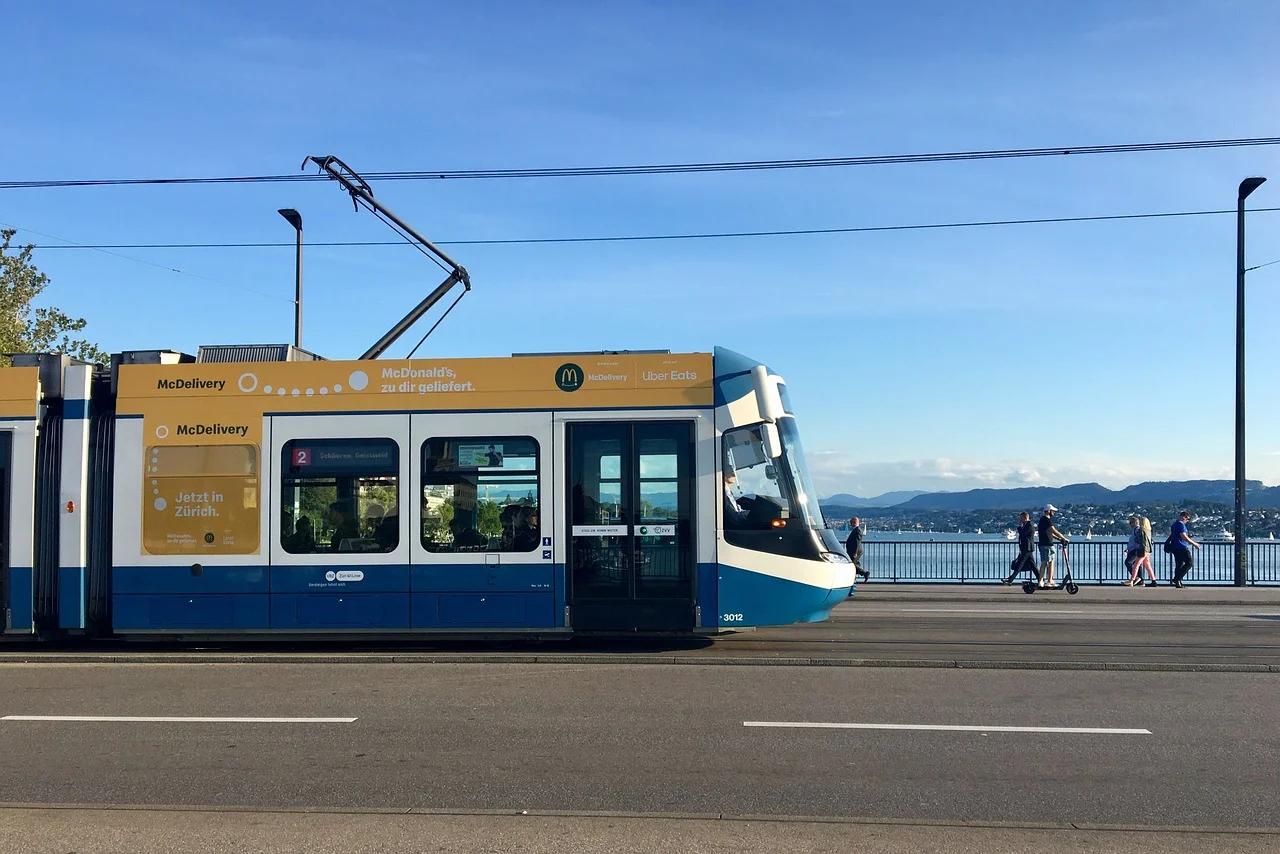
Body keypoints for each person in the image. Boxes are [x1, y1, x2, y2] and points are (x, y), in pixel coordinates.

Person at [1003, 511, 1040, 585]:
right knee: (1033, 566)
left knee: (1020, 565)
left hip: (1027, 548)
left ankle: (1010, 580)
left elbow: (1023, 534)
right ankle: (1040, 579)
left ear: (1025, 518)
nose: (1020, 520)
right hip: (1025, 548)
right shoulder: (1026, 525)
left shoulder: (1029, 525)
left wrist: (1020, 527)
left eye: (1021, 518)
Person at [1037, 504, 1069, 587]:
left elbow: (1050, 533)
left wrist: (1060, 539)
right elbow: (1053, 530)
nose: (1053, 513)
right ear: (1048, 511)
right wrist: (1063, 538)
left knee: (1048, 562)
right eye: (1052, 511)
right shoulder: (1046, 520)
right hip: (1047, 544)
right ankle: (1044, 581)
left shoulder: (1042, 520)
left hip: (1045, 544)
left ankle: (1047, 580)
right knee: (1046, 562)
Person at [1169, 510, 1201, 588]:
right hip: (1181, 547)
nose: (1187, 521)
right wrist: (1194, 543)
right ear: (1183, 517)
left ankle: (1178, 582)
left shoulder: (1174, 525)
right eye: (1187, 519)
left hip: (1175, 547)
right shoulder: (1181, 525)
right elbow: (1183, 536)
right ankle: (1177, 579)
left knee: (1179, 564)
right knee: (1189, 563)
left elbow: (1178, 536)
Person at [846, 517, 869, 582]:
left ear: (854, 522)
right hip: (854, 551)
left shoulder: (857, 530)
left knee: (852, 564)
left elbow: (857, 542)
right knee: (855, 564)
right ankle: (854, 577)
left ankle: (865, 573)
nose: (851, 524)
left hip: (855, 551)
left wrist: (855, 552)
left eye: (852, 522)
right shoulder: (856, 529)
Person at [1136, 516, 1157, 586]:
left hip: (1143, 549)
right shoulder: (1148, 530)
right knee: (1147, 565)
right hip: (1148, 550)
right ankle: (1153, 580)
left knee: (1136, 565)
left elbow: (1139, 540)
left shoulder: (1141, 530)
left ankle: (1133, 580)